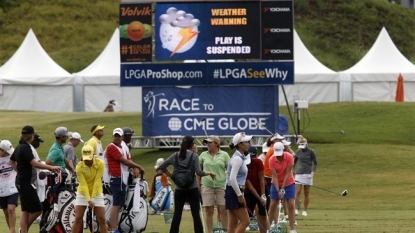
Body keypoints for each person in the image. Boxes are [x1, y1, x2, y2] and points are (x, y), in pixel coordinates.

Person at [157, 136, 216, 233]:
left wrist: (173, 177)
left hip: (179, 189)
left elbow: (162, 167)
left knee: (177, 214)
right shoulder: (194, 156)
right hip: (192, 189)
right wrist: (210, 173)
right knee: (195, 215)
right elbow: (199, 172)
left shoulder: (176, 155)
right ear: (192, 144)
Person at [9, 125, 61, 233]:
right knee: (38, 209)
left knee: (25, 210)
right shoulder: (26, 147)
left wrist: (18, 171)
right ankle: (23, 230)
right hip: (26, 182)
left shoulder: (19, 146)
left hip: (20, 181)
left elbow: (11, 161)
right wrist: (51, 167)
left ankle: (24, 231)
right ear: (31, 136)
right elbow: (34, 163)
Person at [105, 128, 145, 233]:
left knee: (120, 204)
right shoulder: (111, 147)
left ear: (122, 137)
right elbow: (123, 161)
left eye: (119, 136)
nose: (117, 138)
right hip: (116, 179)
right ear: (113, 136)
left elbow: (128, 159)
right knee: (117, 204)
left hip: (123, 179)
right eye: (115, 136)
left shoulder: (123, 146)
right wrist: (138, 166)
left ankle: (113, 224)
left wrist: (134, 167)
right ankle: (114, 229)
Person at [71, 145, 106, 233]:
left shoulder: (100, 163)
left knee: (102, 219)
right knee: (78, 218)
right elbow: (83, 184)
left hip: (97, 193)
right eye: (85, 159)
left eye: (89, 158)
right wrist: (89, 199)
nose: (87, 161)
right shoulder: (79, 167)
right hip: (83, 193)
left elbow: (97, 181)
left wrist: (93, 198)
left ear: (93, 155)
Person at [199, 135, 230, 233]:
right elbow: (198, 172)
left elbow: (229, 170)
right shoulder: (203, 155)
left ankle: (225, 231)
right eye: (206, 142)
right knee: (209, 211)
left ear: (216, 144)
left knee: (224, 211)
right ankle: (210, 232)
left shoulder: (224, 155)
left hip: (221, 185)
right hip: (206, 185)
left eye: (210, 142)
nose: (207, 144)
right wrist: (198, 185)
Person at [225, 132, 253, 233]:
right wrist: (240, 195)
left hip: (232, 191)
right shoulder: (237, 159)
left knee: (232, 224)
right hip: (234, 191)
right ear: (239, 144)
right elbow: (232, 178)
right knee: (245, 221)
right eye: (246, 142)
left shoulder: (239, 157)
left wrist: (240, 194)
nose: (248, 143)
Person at [268, 142, 297, 233]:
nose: (278, 156)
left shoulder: (289, 157)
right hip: (276, 183)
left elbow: (288, 173)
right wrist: (278, 190)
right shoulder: (271, 159)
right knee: (273, 205)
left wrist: (283, 188)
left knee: (291, 205)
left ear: (283, 150)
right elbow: (274, 176)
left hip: (289, 183)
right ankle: (268, 228)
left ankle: (292, 229)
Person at [245, 146, 268, 233]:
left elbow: (261, 180)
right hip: (249, 191)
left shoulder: (258, 162)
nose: (252, 160)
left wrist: (262, 195)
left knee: (262, 215)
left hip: (262, 189)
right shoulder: (243, 165)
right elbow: (249, 186)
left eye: (253, 157)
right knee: (246, 216)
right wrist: (259, 198)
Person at [294, 136, 318, 217]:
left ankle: (305, 210)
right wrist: (291, 171)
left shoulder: (311, 151)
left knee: (306, 192)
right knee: (297, 192)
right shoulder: (298, 151)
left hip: (308, 174)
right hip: (299, 173)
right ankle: (296, 209)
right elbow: (294, 162)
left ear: (306, 144)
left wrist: (313, 172)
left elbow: (315, 163)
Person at [0, 140, 18, 233]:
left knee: (11, 209)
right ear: (1, 150)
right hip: (1, 189)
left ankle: (12, 231)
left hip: (13, 186)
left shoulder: (12, 156)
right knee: (6, 212)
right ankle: (12, 230)